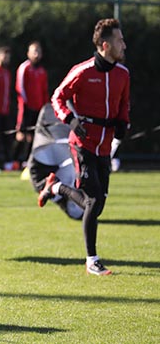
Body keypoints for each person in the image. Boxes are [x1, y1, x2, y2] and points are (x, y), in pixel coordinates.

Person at [38, 18, 129, 276]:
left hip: (104, 147)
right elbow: (58, 96)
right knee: (93, 200)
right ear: (104, 45)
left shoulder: (123, 74)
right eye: (119, 41)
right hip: (82, 144)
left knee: (97, 205)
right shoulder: (82, 71)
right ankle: (92, 260)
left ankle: (54, 186)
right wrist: (70, 119)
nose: (124, 45)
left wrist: (123, 123)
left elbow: (124, 103)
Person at [13, 41, 48, 169]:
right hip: (26, 108)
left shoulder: (42, 71)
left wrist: (45, 107)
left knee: (33, 136)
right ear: (28, 53)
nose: (37, 54)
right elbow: (20, 89)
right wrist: (26, 105)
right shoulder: (24, 68)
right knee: (21, 134)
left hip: (38, 109)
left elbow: (44, 90)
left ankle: (27, 160)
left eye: (39, 51)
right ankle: (14, 160)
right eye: (34, 51)